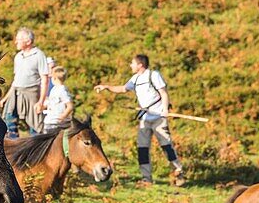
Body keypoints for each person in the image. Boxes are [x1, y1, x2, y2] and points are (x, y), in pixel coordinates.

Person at [94, 54, 185, 187]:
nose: (130, 65)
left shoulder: (154, 75)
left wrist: (165, 110)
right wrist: (106, 87)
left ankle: (179, 171)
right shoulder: (135, 78)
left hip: (159, 117)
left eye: (132, 63)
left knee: (166, 146)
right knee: (142, 148)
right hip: (145, 118)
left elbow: (163, 93)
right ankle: (146, 178)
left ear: (140, 65)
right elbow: (123, 89)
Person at [0, 27, 49, 138]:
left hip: (31, 92)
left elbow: (45, 79)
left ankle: (34, 148)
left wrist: (41, 101)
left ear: (28, 41)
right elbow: (16, 80)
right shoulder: (18, 57)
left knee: (35, 122)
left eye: (19, 39)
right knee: (9, 117)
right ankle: (14, 143)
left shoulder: (38, 55)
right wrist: (6, 97)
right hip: (16, 92)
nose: (16, 42)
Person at [42, 66, 74, 133]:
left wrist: (63, 116)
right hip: (50, 120)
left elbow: (70, 106)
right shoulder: (54, 89)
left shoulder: (62, 90)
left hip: (57, 122)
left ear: (54, 78)